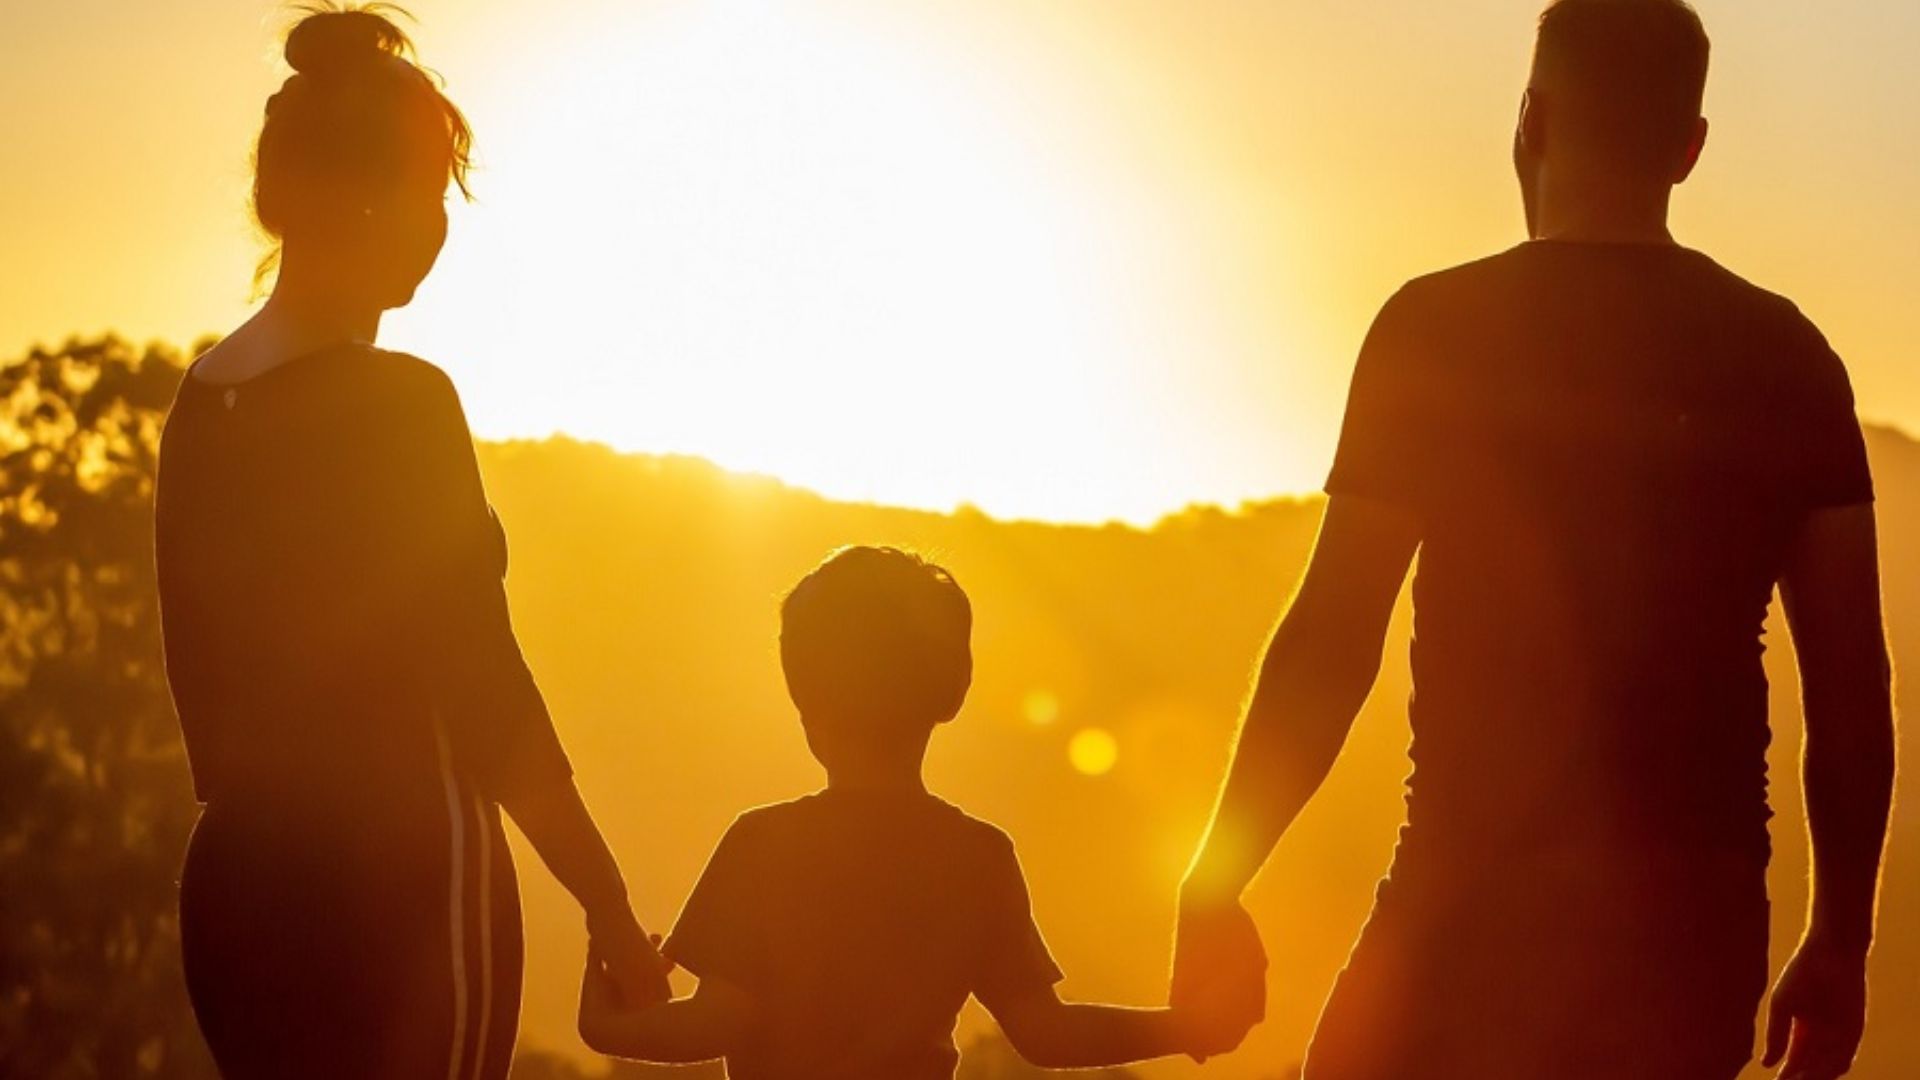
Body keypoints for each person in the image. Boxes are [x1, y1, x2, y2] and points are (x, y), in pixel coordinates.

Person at [1171, 2, 1895, 1079]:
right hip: (1691, 925)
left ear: (1530, 119)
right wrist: (1842, 940)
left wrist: (1214, 881)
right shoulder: (1788, 355)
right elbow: (1849, 694)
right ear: (1690, 149)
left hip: (1466, 899)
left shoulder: (1438, 329)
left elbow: (1331, 637)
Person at [154, 7, 668, 1077]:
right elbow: (484, 688)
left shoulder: (202, 405)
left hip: (238, 885)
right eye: (436, 193)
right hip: (401, 884)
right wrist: (607, 903)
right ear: (384, 201)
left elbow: (205, 683)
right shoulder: (401, 403)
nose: (439, 226)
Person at [576, 546, 1256, 1078]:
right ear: (950, 692)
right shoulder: (978, 856)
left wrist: (607, 1029)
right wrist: (1187, 1026)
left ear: (804, 702)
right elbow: (1046, 1033)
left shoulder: (763, 845)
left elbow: (716, 1023)